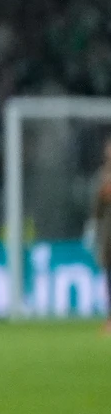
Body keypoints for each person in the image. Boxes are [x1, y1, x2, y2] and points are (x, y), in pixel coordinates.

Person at [92, 139, 111, 334]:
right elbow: (96, 211)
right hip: (108, 235)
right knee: (109, 276)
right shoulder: (102, 176)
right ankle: (110, 319)